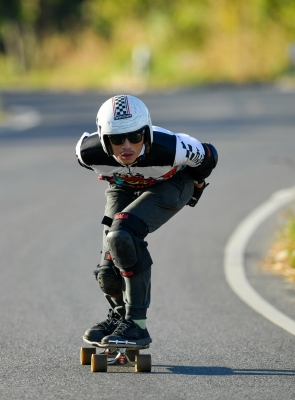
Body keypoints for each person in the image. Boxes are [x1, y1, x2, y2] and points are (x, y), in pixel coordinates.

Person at [75, 95, 218, 346]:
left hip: (172, 183)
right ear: (103, 139)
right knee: (107, 270)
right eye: (117, 139)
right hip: (124, 187)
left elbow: (209, 156)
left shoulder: (173, 148)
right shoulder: (87, 153)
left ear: (148, 135)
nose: (127, 146)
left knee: (123, 235)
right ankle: (121, 317)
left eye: (136, 137)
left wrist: (197, 186)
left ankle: (137, 326)